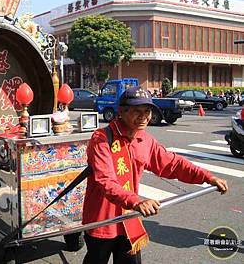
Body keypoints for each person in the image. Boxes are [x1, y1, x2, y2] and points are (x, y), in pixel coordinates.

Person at [82, 86, 228, 264]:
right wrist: (136, 201)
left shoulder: (145, 139)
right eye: (137, 111)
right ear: (121, 111)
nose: (144, 116)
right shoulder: (102, 138)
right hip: (102, 220)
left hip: (129, 218)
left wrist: (207, 177)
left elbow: (173, 164)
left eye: (147, 110)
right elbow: (106, 181)